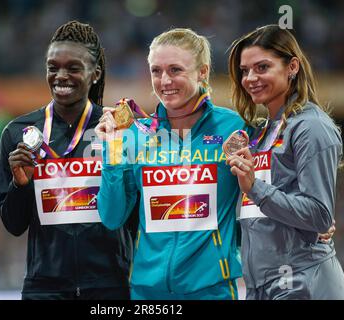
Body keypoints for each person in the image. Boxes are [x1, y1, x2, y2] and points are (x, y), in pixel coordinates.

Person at [95, 28, 247, 300]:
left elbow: (262, 190)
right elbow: (112, 216)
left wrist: (309, 228)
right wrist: (113, 151)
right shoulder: (134, 134)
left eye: (175, 70)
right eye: (156, 71)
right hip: (147, 292)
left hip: (212, 290)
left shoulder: (233, 128)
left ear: (202, 72)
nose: (164, 81)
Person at [0, 21, 133, 300]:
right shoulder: (17, 133)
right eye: (52, 67)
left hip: (108, 287)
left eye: (73, 68)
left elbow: (134, 216)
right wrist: (20, 186)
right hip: (44, 288)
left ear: (95, 74)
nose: (61, 76)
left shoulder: (118, 130)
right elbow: (13, 225)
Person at [226, 24, 344, 299]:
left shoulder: (311, 127)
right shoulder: (260, 132)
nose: (250, 78)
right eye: (245, 71)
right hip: (263, 285)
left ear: (292, 66)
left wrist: (254, 187)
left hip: (302, 282)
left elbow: (319, 215)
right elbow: (256, 214)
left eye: (262, 67)